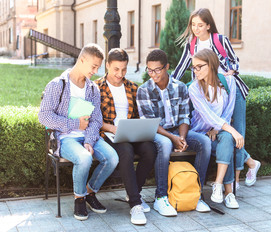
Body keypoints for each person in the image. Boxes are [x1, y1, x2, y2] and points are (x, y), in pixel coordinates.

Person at [173, 8, 260, 189]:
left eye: (200, 25)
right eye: (193, 25)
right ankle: (251, 163)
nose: (196, 29)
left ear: (208, 25)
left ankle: (235, 181)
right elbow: (181, 67)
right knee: (221, 134)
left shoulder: (220, 40)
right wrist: (169, 85)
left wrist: (230, 73)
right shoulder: (192, 44)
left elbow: (235, 61)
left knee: (236, 133)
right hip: (207, 95)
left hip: (229, 92)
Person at [38, 43, 119, 221]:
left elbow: (97, 119)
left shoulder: (92, 89)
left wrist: (89, 140)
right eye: (93, 66)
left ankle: (89, 192)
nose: (96, 71)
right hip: (65, 138)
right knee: (84, 158)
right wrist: (75, 124)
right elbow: (44, 117)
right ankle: (79, 199)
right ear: (82, 60)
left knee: (112, 158)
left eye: (98, 67)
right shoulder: (57, 85)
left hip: (87, 137)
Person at [136, 49, 211, 216]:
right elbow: (150, 123)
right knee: (165, 143)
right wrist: (173, 138)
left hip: (178, 131)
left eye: (157, 69)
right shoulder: (144, 90)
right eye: (149, 70)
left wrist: (182, 138)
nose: (153, 74)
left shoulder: (180, 87)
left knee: (204, 143)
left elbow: (185, 116)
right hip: (157, 132)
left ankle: (196, 194)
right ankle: (160, 197)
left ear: (167, 67)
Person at [95, 48, 157, 225]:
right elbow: (93, 119)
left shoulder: (131, 87)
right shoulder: (97, 87)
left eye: (123, 69)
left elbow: (138, 115)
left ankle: (133, 193)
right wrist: (113, 128)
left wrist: (139, 127)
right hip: (108, 134)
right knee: (126, 151)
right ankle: (136, 204)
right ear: (107, 66)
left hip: (130, 132)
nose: (120, 74)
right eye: (116, 69)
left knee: (150, 150)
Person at [188, 49, 241, 208]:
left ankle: (219, 185)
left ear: (211, 65)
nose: (195, 71)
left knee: (226, 139)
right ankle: (229, 192)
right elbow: (207, 116)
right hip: (199, 132)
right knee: (229, 139)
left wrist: (218, 129)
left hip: (218, 130)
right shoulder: (194, 88)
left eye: (199, 67)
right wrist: (231, 129)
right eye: (193, 67)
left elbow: (228, 110)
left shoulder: (229, 82)